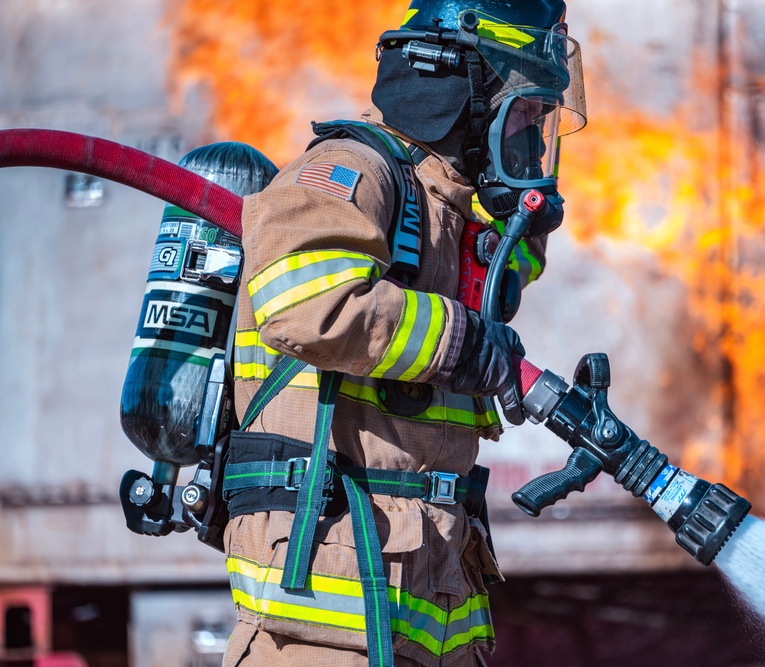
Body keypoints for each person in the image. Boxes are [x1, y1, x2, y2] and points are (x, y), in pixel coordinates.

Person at [220, 1, 587, 665]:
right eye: (526, 114)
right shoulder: (352, 170)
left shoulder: (444, 215)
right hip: (323, 630)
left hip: (421, 619)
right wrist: (467, 344)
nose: (533, 138)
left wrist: (521, 222)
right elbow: (305, 301)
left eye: (540, 120)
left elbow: (497, 277)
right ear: (458, 92)